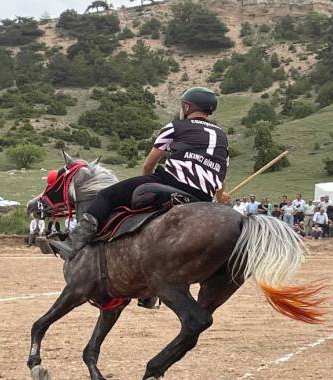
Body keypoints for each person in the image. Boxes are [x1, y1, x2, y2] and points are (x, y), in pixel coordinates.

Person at [52, 87, 229, 260]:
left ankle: (73, 243)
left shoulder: (176, 127)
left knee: (106, 196)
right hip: (203, 196)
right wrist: (221, 197)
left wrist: (147, 180)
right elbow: (222, 173)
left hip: (171, 183)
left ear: (188, 107)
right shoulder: (222, 137)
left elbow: (149, 164)